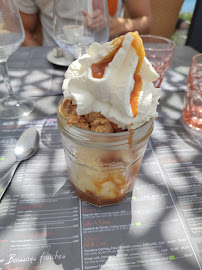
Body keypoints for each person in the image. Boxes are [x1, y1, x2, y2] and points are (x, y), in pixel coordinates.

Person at [16, 0, 152, 47]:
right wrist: (43, 62)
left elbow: (145, 22)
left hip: (108, 61)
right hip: (56, 66)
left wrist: (118, 25)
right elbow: (22, 32)